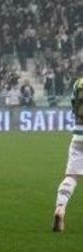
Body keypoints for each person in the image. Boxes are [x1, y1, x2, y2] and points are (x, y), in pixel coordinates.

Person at [53, 78, 83, 232]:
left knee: (71, 177)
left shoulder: (78, 83)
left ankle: (60, 208)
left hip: (79, 135)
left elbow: (74, 107)